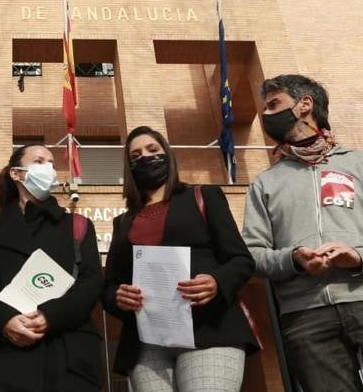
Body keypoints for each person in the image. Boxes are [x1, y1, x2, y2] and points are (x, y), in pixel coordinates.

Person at [242, 74, 363, 392]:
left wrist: (359, 256)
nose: (266, 115)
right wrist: (294, 259)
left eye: (274, 104)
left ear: (305, 105)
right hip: (305, 317)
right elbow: (253, 252)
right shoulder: (264, 183)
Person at [102, 126, 258, 392]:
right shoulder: (122, 222)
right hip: (146, 344)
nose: (145, 157)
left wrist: (217, 282)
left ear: (168, 155)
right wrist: (118, 296)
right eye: (136, 155)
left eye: (153, 150)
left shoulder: (204, 196)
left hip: (209, 329)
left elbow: (241, 260)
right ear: (129, 167)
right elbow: (109, 286)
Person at [0, 143, 103, 392]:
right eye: (40, 161)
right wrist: (4, 320)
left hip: (68, 357)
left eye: (52, 164)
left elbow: (91, 282)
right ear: (16, 173)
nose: (49, 169)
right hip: (4, 357)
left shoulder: (77, 225)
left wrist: (49, 316)